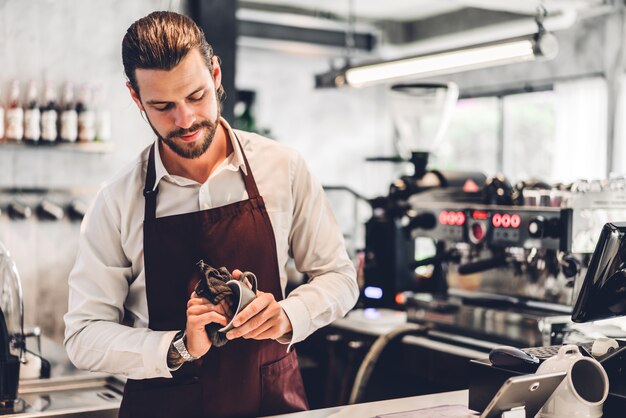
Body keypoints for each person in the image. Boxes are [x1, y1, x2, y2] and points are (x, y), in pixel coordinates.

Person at [63, 10, 359, 418]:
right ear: (135, 98)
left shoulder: (283, 168)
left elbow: (339, 277)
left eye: (196, 96)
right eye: (162, 105)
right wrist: (179, 347)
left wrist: (288, 315)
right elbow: (83, 335)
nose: (184, 120)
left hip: (270, 404)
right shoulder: (116, 201)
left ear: (216, 75)